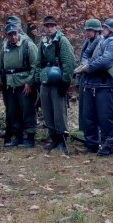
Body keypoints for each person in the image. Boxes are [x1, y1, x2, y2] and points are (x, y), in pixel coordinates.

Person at [77, 18, 113, 156]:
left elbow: (105, 61)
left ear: (112, 30)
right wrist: (85, 63)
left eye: (106, 27)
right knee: (89, 116)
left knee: (106, 117)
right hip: (90, 83)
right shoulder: (100, 39)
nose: (103, 29)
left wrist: (88, 67)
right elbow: (86, 53)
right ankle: (91, 143)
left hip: (105, 85)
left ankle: (107, 145)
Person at [0, 23, 39, 148]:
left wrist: (30, 82)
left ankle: (29, 138)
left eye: (14, 33)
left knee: (27, 111)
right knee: (13, 112)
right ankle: (17, 137)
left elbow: (35, 65)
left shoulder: (28, 45)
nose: (13, 37)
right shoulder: (5, 47)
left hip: (24, 85)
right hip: (10, 85)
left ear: (18, 32)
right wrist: (1, 81)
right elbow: (1, 66)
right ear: (6, 35)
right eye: (10, 35)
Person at [38, 15, 76, 153]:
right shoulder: (43, 42)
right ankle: (53, 138)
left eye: (52, 25)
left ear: (56, 26)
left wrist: (65, 82)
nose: (49, 28)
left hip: (58, 81)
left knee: (59, 113)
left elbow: (69, 62)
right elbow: (38, 62)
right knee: (47, 111)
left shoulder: (62, 41)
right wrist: (37, 79)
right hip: (45, 80)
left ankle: (62, 140)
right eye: (47, 26)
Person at [76, 18, 101, 133]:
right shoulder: (87, 42)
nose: (87, 32)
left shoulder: (101, 43)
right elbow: (82, 60)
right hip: (84, 78)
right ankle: (87, 132)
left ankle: (97, 133)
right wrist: (78, 79)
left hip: (96, 79)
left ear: (97, 31)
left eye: (90, 30)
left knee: (96, 108)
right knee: (84, 107)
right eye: (87, 30)